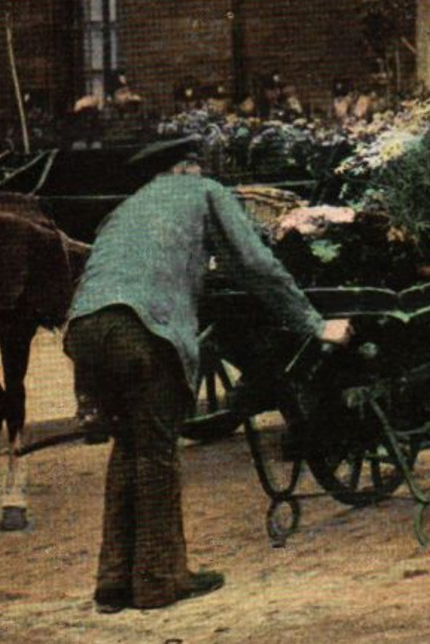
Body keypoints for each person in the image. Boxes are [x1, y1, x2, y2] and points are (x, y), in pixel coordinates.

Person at [62, 136, 352, 613]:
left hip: (85, 329)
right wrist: (315, 324)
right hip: (140, 330)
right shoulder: (203, 192)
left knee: (129, 449)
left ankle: (113, 582)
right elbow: (255, 264)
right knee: (157, 457)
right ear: (188, 168)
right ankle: (159, 581)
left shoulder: (126, 208)